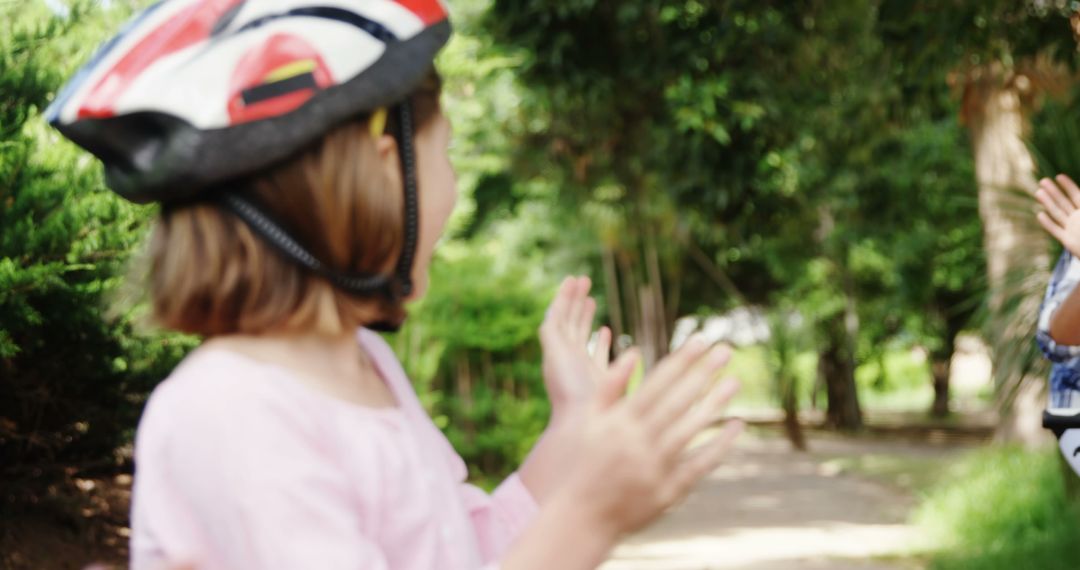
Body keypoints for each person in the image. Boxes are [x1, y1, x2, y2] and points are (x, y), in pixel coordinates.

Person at [47, 2, 744, 568]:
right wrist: (589, 518)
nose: (456, 189)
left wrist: (571, 435)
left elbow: (467, 552)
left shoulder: (364, 365)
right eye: (447, 155)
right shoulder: (230, 411)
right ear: (384, 170)